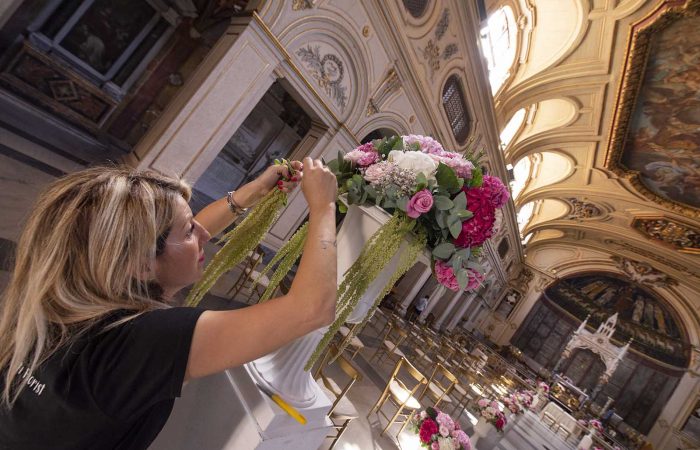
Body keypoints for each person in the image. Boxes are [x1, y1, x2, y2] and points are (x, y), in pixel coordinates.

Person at [0, 157, 338, 449]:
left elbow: (167, 245)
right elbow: (311, 309)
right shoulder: (139, 341)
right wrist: (323, 207)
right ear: (141, 264)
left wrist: (250, 194)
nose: (205, 235)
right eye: (190, 230)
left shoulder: (60, 293)